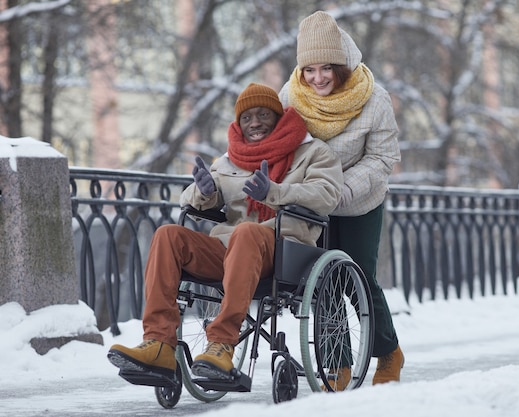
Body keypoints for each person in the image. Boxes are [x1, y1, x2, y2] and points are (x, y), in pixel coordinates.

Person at [107, 83, 343, 382]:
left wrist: (275, 191)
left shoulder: (313, 152)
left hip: (284, 248)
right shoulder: (230, 158)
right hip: (230, 248)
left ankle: (221, 344)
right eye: (246, 118)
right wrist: (203, 191)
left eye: (262, 115)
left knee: (247, 231)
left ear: (278, 116)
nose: (254, 123)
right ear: (238, 123)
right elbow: (190, 198)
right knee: (168, 235)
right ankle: (159, 345)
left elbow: (327, 196)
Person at [279, 11, 403, 387]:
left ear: (341, 66)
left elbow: (383, 159)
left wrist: (342, 188)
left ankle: (389, 353)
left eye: (326, 69)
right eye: (309, 70)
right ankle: (338, 362)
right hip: (310, 200)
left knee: (358, 278)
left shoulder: (373, 99)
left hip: (358, 200)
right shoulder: (291, 97)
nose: (317, 79)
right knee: (320, 280)